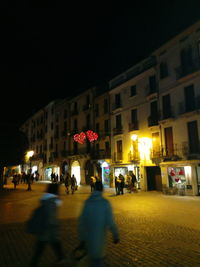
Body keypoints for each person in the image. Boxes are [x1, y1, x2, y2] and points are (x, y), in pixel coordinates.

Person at [78, 181, 119, 267]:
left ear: (94, 189)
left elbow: (81, 222)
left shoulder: (87, 202)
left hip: (89, 240)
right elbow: (110, 221)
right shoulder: (105, 203)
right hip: (100, 240)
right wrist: (115, 235)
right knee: (99, 262)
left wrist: (82, 239)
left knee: (92, 262)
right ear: (102, 189)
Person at [29, 183, 65, 267]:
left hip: (46, 230)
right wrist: (57, 223)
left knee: (52, 245)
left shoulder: (46, 199)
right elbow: (51, 218)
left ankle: (61, 258)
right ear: (55, 191)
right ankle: (61, 259)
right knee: (41, 248)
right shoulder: (52, 201)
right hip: (48, 230)